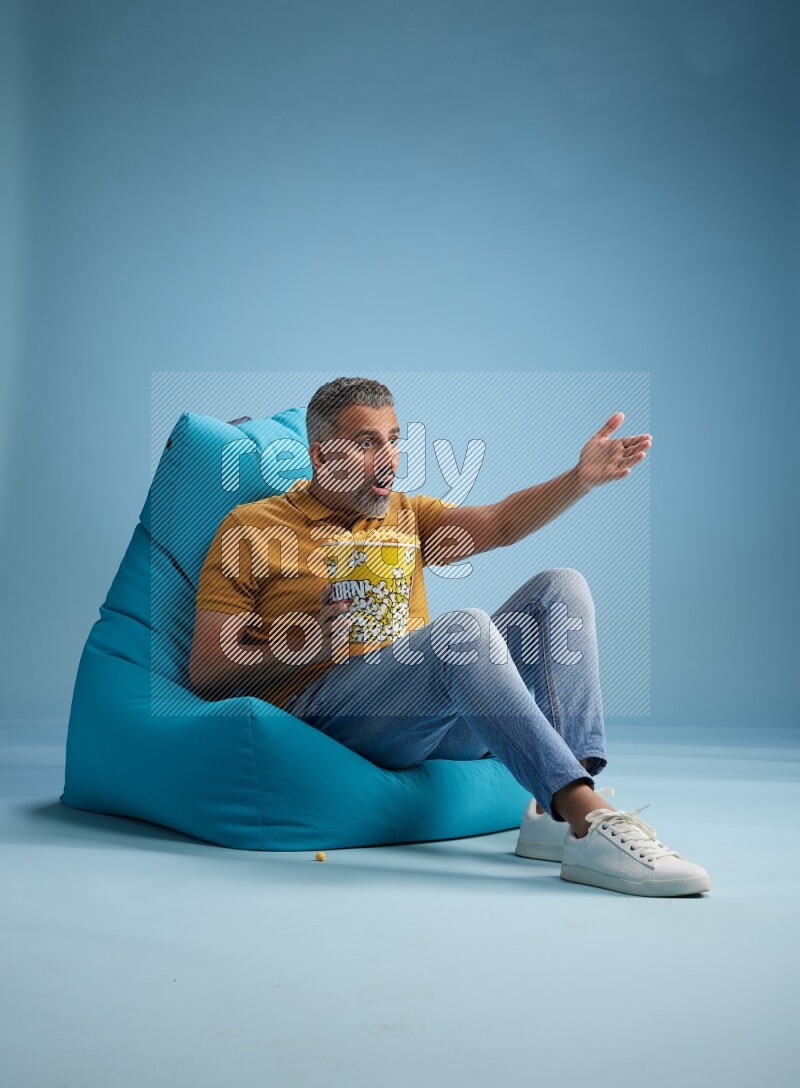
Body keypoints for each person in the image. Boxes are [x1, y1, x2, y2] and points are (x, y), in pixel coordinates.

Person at [189, 376, 710, 897]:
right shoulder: (252, 526)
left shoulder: (406, 516)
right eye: (367, 443)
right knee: (462, 629)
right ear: (323, 455)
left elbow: (502, 522)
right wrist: (304, 642)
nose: (388, 458)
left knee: (560, 588)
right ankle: (587, 817)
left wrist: (579, 479)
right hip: (333, 721)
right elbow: (208, 671)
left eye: (394, 439)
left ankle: (563, 811)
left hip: (426, 717)